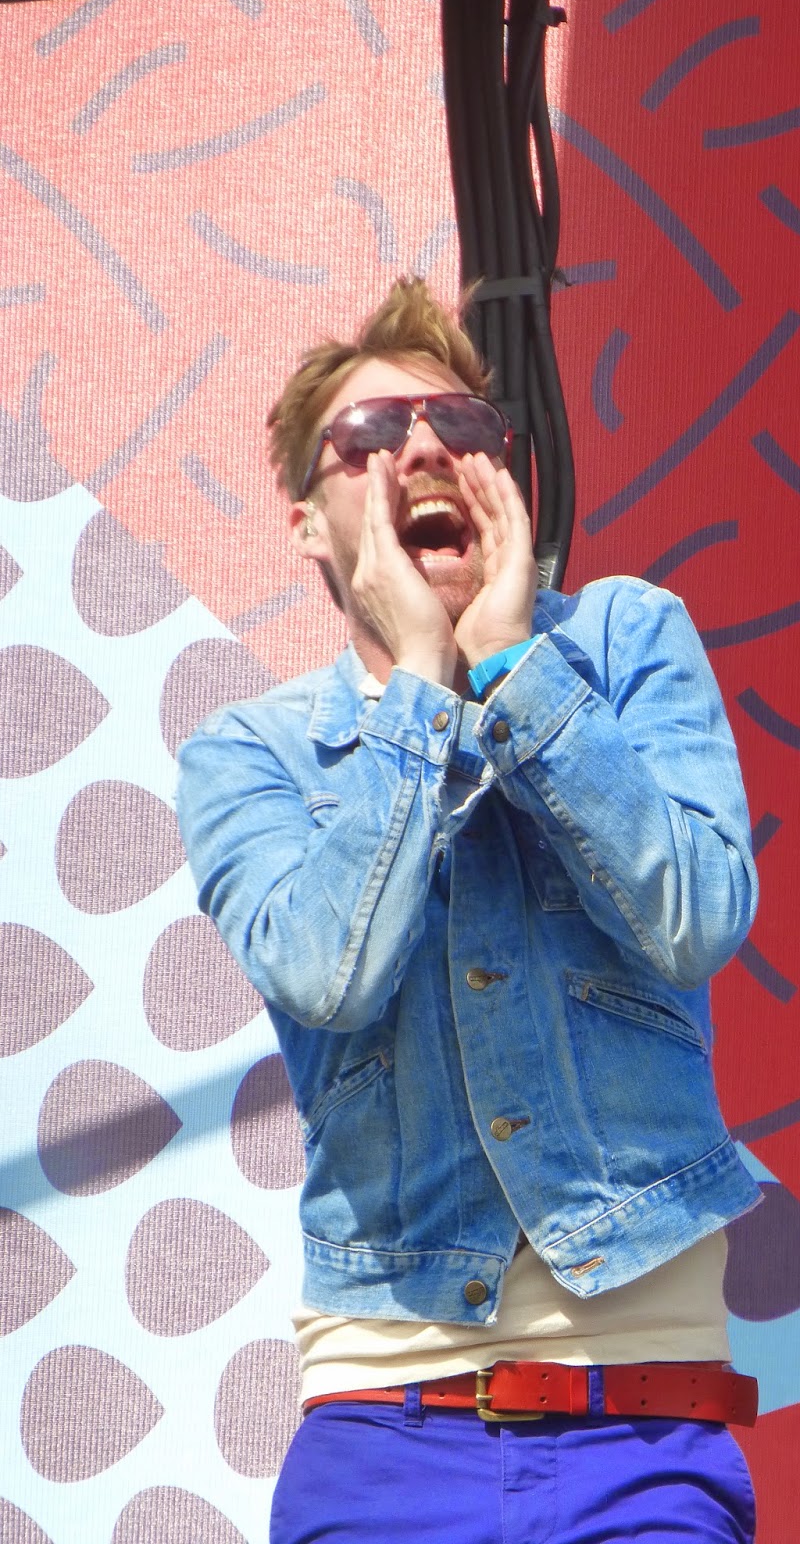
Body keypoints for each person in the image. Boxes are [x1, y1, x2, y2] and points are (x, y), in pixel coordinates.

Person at [176, 278, 762, 1543]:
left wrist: (516, 671)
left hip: (645, 1423)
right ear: (308, 524)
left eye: (460, 426)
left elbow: (697, 917)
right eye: (371, 437)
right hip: (384, 1428)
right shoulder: (250, 753)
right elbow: (328, 975)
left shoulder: (627, 640)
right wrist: (423, 697)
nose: (424, 450)